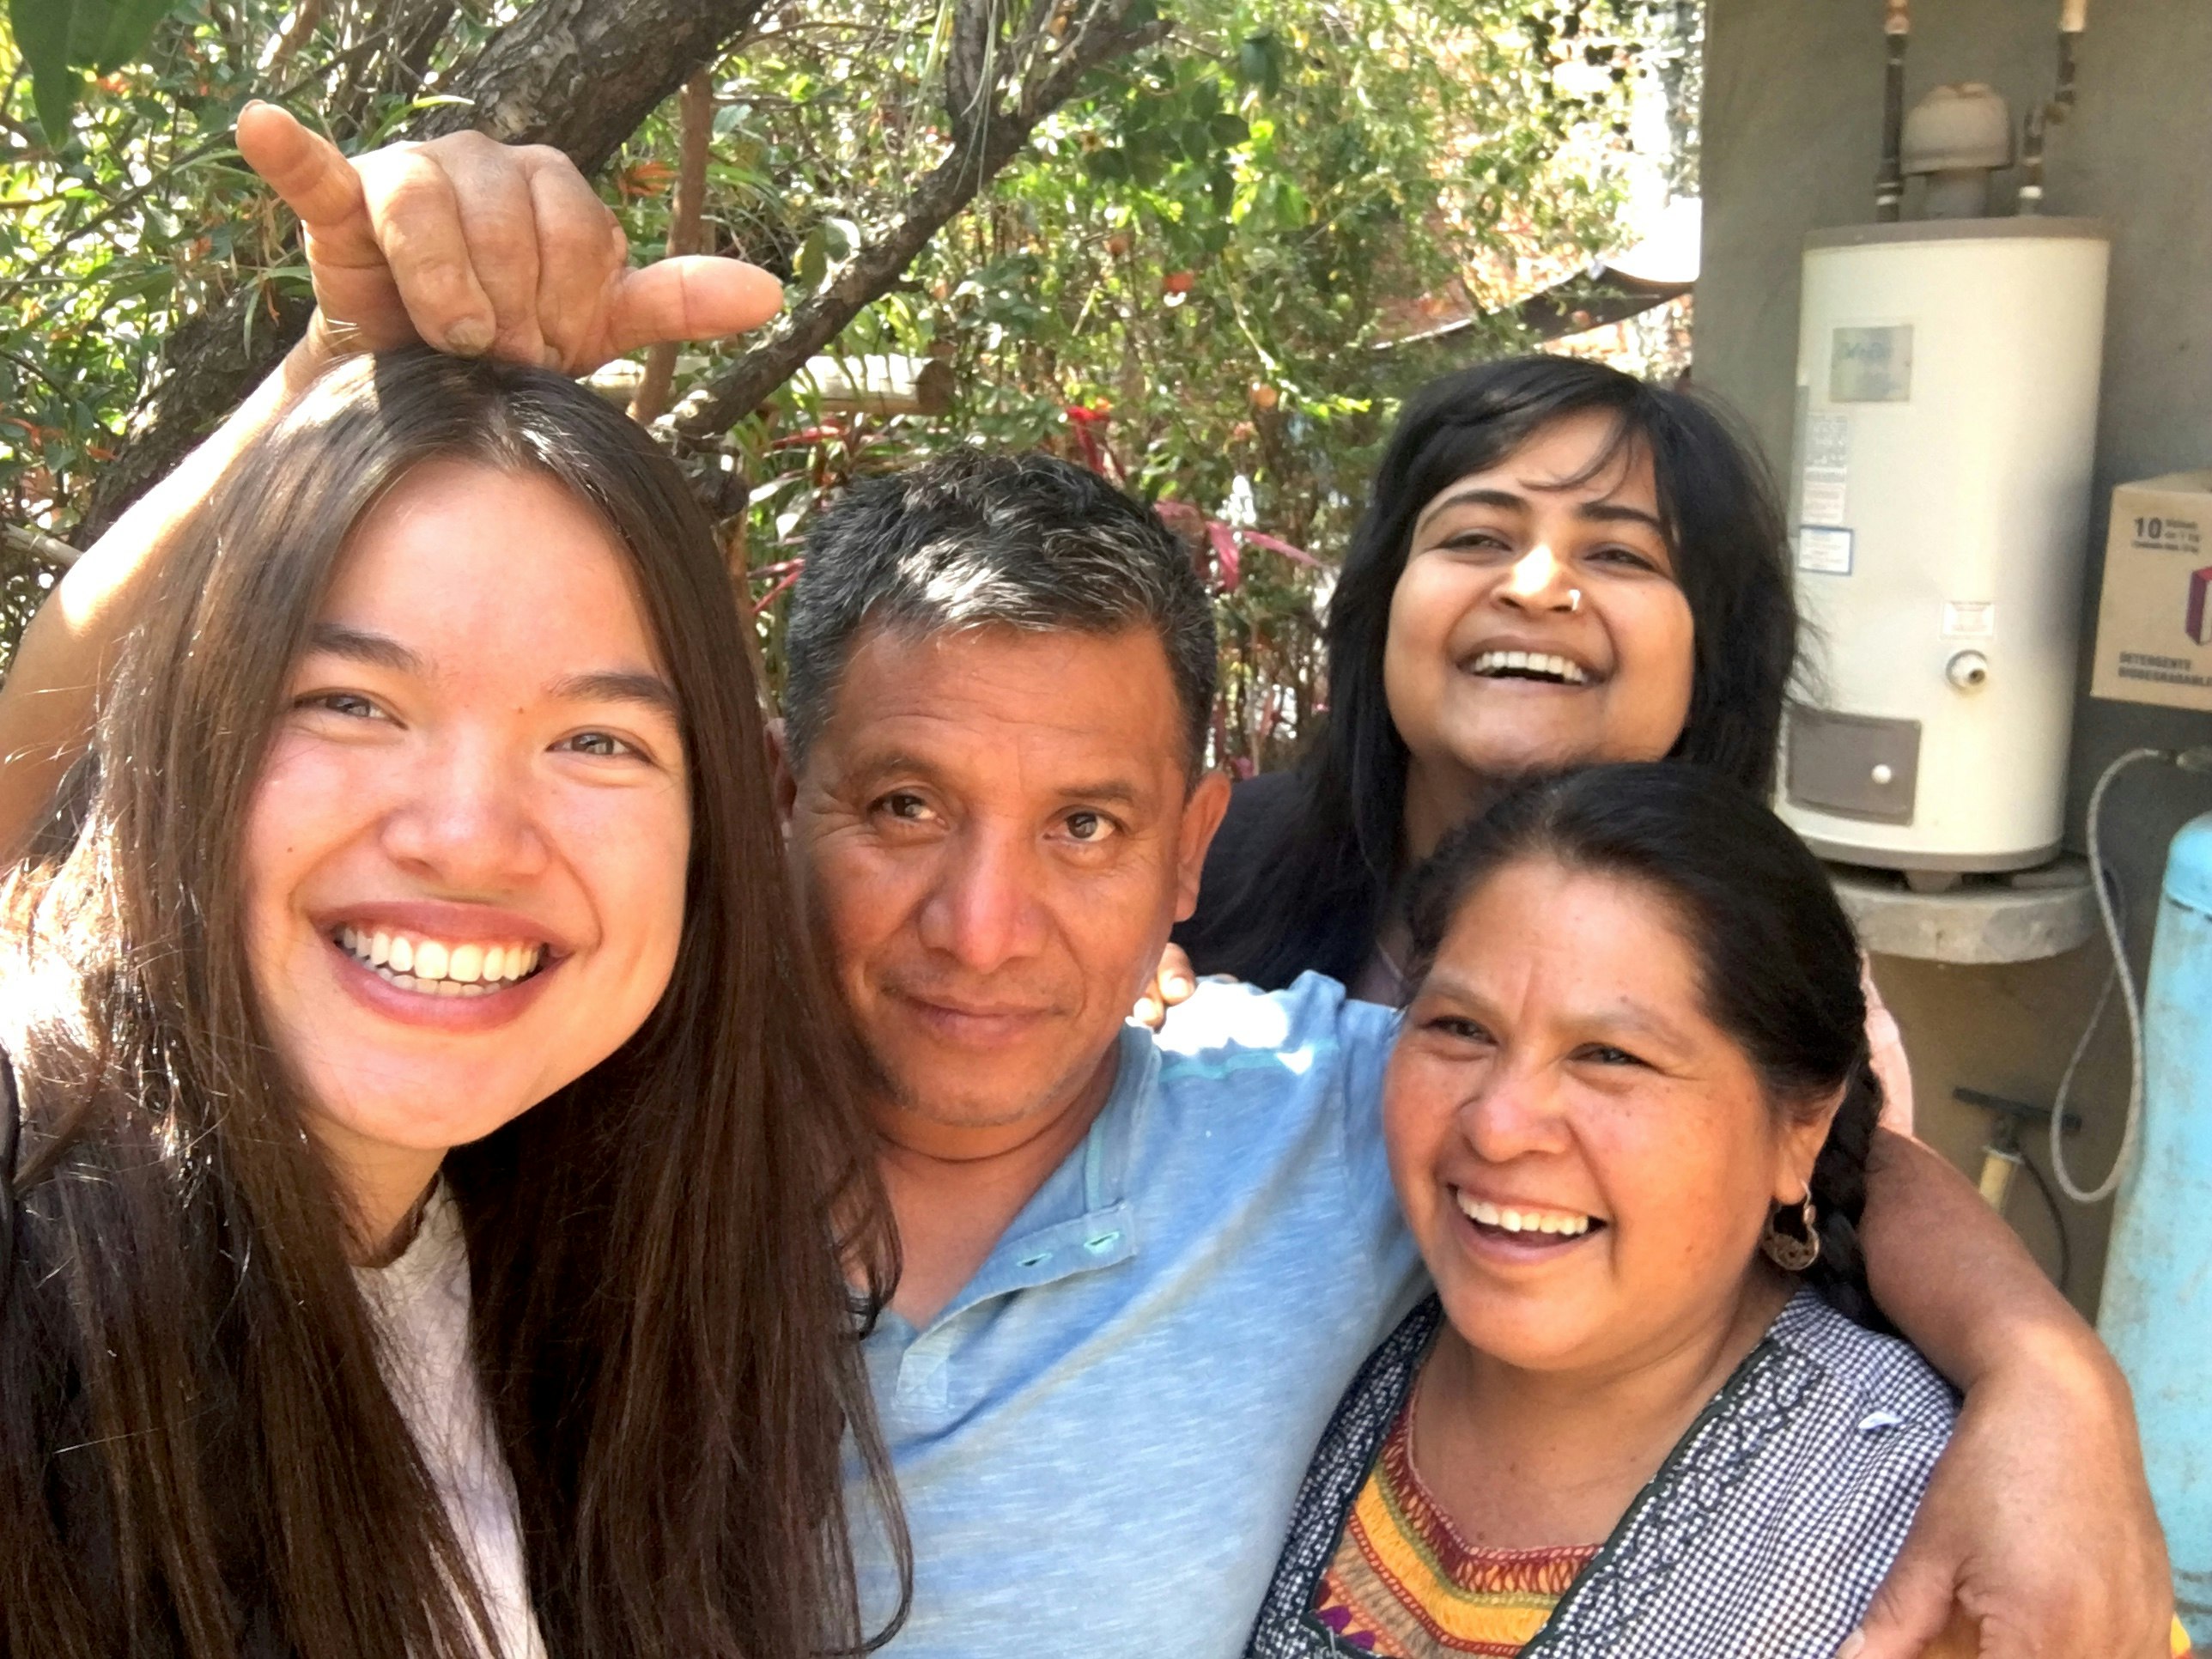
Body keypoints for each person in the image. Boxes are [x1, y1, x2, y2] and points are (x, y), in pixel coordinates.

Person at [0, 110, 2175, 1659]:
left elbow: (1751, 1119)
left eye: (1088, 832)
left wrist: (2052, 1386)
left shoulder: (1340, 1121)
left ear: (1191, 857)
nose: (981, 930)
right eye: (899, 811)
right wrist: (319, 403)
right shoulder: (556, 1087)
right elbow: (61, 861)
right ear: (763, 797)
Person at [0, 350, 900, 1656]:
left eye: (598, 740)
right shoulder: (39, 1225)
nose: (471, 837)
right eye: (351, 703)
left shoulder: (602, 1298)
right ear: (189, 736)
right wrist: (308, 377)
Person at [1167, 356, 1917, 1123]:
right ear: (1383, 605)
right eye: (1477, 537)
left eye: (1619, 553)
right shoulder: (1193, 878)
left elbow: (1860, 1208)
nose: (1532, 585)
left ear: (1713, 653)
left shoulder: (1781, 973)